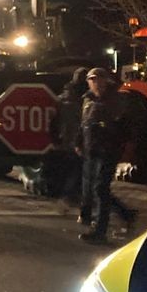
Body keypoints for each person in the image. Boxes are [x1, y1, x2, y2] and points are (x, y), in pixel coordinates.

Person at [79, 67, 137, 244]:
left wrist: (121, 147)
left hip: (107, 150)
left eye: (99, 79)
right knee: (93, 188)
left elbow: (125, 127)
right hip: (92, 149)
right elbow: (83, 124)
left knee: (100, 189)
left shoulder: (116, 100)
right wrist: (78, 142)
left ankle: (100, 231)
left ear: (106, 80)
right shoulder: (88, 100)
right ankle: (125, 214)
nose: (96, 83)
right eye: (92, 79)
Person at [47, 66, 88, 215]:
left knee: (77, 174)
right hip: (79, 143)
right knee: (80, 174)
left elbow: (53, 122)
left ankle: (71, 202)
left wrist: (55, 139)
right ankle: (70, 201)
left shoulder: (62, 98)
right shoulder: (84, 99)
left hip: (71, 142)